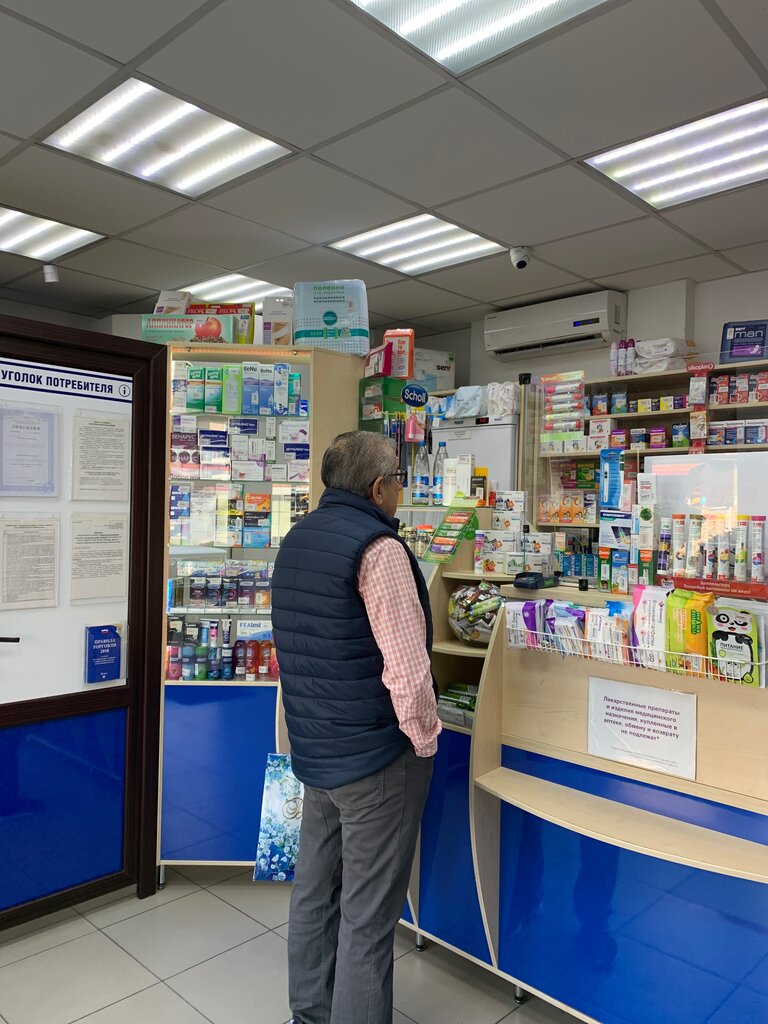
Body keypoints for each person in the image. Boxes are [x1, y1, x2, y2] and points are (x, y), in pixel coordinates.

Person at [271, 430, 441, 1024]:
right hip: (375, 759)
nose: (400, 489)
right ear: (377, 487)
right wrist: (423, 741)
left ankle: (310, 1016)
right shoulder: (380, 549)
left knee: (315, 895)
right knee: (368, 920)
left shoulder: (298, 537)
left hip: (316, 751)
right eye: (398, 479)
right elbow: (408, 669)